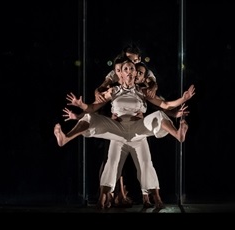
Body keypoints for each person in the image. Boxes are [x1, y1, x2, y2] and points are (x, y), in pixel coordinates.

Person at [54, 60, 195, 208]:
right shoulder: (113, 91)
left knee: (159, 115)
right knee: (89, 118)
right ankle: (66, 138)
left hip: (138, 128)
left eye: (131, 69)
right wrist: (80, 105)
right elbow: (92, 107)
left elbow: (165, 105)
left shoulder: (142, 91)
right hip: (118, 128)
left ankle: (178, 134)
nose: (128, 71)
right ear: (120, 73)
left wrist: (183, 99)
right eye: (125, 69)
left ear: (135, 73)